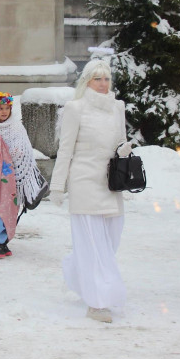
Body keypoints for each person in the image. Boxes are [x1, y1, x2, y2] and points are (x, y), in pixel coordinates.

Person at [49, 59, 129, 323]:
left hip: (111, 184)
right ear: (87, 82)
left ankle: (76, 270)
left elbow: (120, 141)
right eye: (97, 79)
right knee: (95, 246)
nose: (103, 84)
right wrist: (58, 186)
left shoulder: (118, 107)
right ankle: (97, 303)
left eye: (106, 79)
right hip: (84, 182)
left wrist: (125, 153)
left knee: (110, 241)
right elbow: (65, 150)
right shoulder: (75, 108)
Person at [0, 92, 45, 259]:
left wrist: (17, 154)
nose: (4, 112)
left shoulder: (16, 127)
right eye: (0, 109)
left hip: (11, 179)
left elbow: (26, 150)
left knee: (8, 208)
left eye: (7, 108)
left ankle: (1, 241)